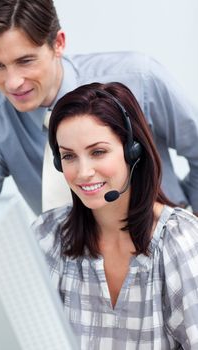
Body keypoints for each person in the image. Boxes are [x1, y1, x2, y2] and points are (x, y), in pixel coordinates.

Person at [0, 0, 198, 216]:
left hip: (166, 250)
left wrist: (187, 225)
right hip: (70, 266)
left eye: (25, 61)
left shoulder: (138, 79)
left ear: (58, 43)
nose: (12, 82)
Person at [31, 82, 198, 349]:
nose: (83, 172)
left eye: (98, 152)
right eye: (69, 156)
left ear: (133, 151)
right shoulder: (47, 236)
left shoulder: (179, 241)